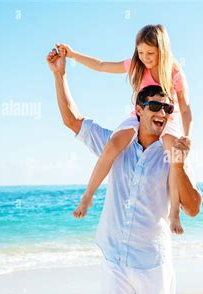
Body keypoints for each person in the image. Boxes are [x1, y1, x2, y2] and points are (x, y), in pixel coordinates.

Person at [46, 47, 202, 294]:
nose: (162, 113)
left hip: (153, 266)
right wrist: (60, 76)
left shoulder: (172, 151)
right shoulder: (116, 144)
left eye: (167, 108)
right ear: (138, 110)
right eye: (155, 106)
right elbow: (72, 120)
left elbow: (193, 207)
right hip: (114, 262)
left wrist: (179, 165)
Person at [56, 24, 193, 235]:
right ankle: (87, 196)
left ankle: (174, 212)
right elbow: (101, 65)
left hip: (168, 118)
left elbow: (184, 107)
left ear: (162, 50)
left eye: (150, 53)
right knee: (113, 144)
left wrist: (187, 135)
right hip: (139, 116)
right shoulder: (137, 66)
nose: (145, 57)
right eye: (140, 52)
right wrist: (73, 55)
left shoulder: (174, 71)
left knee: (173, 157)